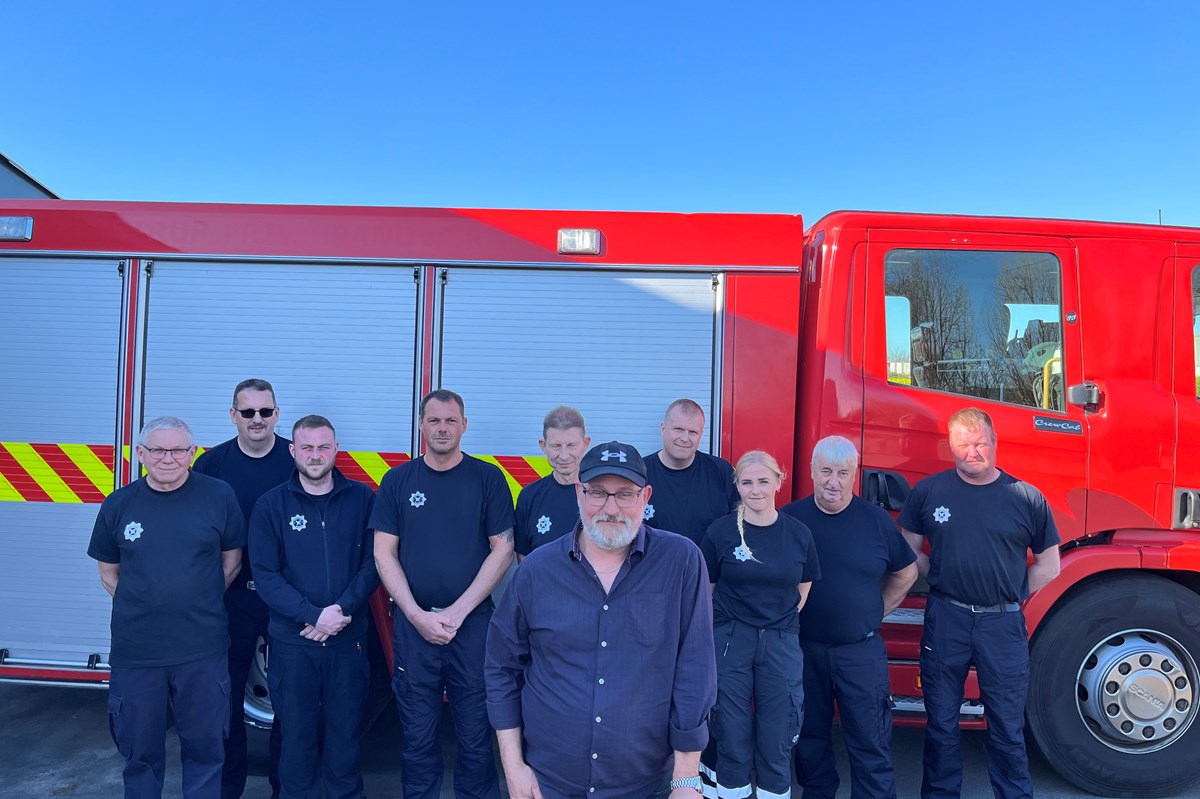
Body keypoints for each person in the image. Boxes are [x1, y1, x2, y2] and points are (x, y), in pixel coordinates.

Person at [486, 440, 717, 799]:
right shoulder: (536, 570)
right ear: (579, 492)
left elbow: (695, 668)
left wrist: (685, 782)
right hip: (550, 785)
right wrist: (514, 768)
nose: (610, 508)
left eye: (625, 494)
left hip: (647, 786)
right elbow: (502, 666)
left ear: (646, 496)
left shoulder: (681, 562)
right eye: (597, 493)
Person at [899, 408, 1061, 799]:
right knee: (940, 722)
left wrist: (1009, 591)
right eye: (963, 445)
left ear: (994, 442)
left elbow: (1050, 565)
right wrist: (935, 571)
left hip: (1002, 625)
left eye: (980, 443)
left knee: (1006, 725)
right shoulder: (929, 492)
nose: (972, 451)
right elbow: (907, 546)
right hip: (946, 617)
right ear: (950, 447)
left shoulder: (1025, 497)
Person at [87, 416, 245, 799]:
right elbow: (109, 573)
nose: (168, 458)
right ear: (141, 454)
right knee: (140, 755)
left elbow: (232, 562)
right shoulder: (119, 504)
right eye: (158, 449)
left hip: (202, 650)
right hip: (137, 653)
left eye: (178, 450)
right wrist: (147, 607)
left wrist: (196, 600)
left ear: (192, 454)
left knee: (206, 751)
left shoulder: (219, 496)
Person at [371, 389, 515, 799]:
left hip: (472, 627)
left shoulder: (488, 478)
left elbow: (503, 547)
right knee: (417, 740)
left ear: (464, 425)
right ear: (420, 425)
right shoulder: (397, 480)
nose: (442, 428)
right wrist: (417, 615)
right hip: (414, 628)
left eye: (451, 420)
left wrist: (458, 610)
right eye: (433, 420)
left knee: (474, 738)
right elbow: (383, 552)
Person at [249, 414, 380, 799]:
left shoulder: (362, 499)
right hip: (292, 646)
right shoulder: (270, 506)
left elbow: (375, 563)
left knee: (345, 739)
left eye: (324, 446)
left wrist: (338, 612)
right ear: (293, 451)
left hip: (348, 643)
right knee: (296, 740)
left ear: (336, 449)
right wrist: (312, 615)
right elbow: (266, 575)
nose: (316, 454)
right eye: (307, 447)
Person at [782, 436, 918, 799]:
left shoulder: (876, 521)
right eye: (825, 471)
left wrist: (876, 611)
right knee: (810, 740)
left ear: (854, 475)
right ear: (811, 472)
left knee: (870, 742)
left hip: (860, 653)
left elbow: (907, 572)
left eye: (842, 473)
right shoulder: (790, 520)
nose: (833, 481)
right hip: (804, 650)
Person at [193, 377, 294, 799]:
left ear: (277, 414)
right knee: (225, 701)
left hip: (286, 602)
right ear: (232, 414)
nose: (257, 420)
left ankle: (284, 787)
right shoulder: (211, 465)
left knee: (290, 704)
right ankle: (227, 787)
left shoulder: (297, 458)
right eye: (248, 412)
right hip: (229, 599)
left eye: (265, 411)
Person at [700, 451, 820, 799]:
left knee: (777, 734)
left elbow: (804, 585)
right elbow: (706, 590)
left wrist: (778, 619)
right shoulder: (720, 532)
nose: (755, 490)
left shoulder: (798, 534)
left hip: (781, 641)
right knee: (731, 734)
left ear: (778, 482)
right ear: (737, 485)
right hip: (731, 640)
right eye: (747, 482)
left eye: (763, 481)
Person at [643, 399, 740, 548]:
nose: (685, 438)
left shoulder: (721, 472)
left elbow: (741, 525)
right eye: (678, 429)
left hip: (708, 570)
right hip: (654, 569)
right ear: (663, 429)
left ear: (701, 434)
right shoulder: (640, 473)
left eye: (693, 432)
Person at [514, 406, 591, 558]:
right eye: (556, 446)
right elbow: (524, 558)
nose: (564, 456)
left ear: (585, 443)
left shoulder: (601, 495)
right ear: (543, 446)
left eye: (571, 445)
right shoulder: (529, 497)